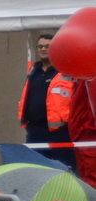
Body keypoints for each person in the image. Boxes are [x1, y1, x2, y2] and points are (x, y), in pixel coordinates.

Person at [18, 32, 75, 167]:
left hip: (59, 131)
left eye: (48, 46)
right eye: (40, 47)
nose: (43, 49)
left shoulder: (66, 70)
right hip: (34, 129)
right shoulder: (33, 71)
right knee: (37, 168)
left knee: (63, 168)